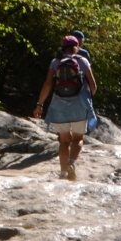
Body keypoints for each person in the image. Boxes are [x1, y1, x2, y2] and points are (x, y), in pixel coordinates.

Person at [31, 34, 97, 180]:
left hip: (60, 106)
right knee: (78, 139)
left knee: (64, 141)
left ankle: (62, 174)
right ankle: (71, 163)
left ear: (63, 47)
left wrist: (39, 105)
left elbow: (48, 84)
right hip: (79, 105)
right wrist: (88, 100)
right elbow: (93, 86)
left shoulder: (55, 62)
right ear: (76, 47)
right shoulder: (83, 60)